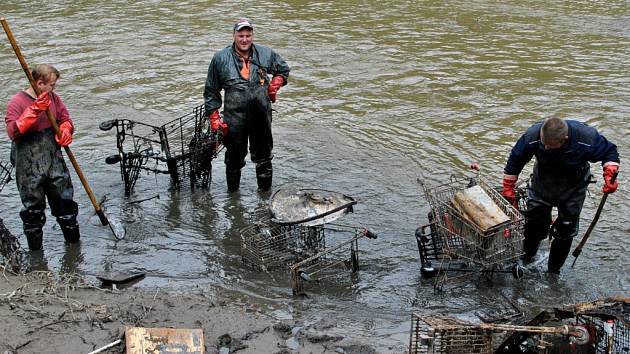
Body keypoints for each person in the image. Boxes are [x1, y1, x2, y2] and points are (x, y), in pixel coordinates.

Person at [502, 117, 619, 274]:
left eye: (550, 146)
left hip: (573, 186)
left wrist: (610, 173)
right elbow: (516, 157)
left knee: (566, 229)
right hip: (542, 182)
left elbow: (609, 152)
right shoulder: (533, 135)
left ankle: (553, 271)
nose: (545, 147)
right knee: (534, 223)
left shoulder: (586, 138)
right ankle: (527, 257)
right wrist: (508, 186)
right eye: (543, 143)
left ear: (565, 139)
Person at [204, 18, 290, 192]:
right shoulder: (220, 58)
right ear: (234, 35)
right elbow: (211, 91)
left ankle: (265, 198)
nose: (244, 40)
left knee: (264, 157)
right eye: (241, 35)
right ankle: (233, 199)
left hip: (261, 115)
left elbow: (283, 69)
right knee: (234, 159)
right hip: (234, 118)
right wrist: (214, 118)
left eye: (248, 35)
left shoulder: (266, 53)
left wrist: (276, 83)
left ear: (252, 36)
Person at [4, 64, 80, 251]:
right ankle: (36, 257)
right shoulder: (17, 102)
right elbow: (12, 131)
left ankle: (73, 249)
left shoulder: (53, 98)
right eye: (52, 85)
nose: (54, 89)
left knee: (66, 206)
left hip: (54, 160)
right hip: (28, 165)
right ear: (39, 83)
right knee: (33, 212)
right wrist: (33, 111)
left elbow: (65, 118)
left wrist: (66, 129)